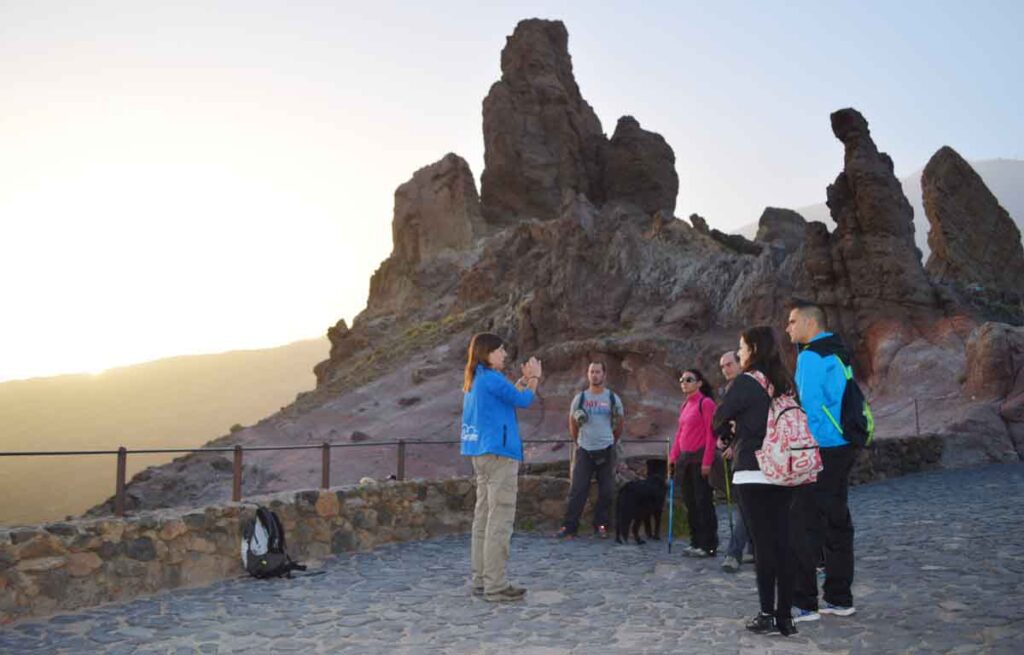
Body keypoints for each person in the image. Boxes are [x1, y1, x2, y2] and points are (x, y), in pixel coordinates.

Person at [713, 327, 799, 637]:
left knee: (763, 546)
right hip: (784, 469)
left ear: (752, 349)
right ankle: (785, 616)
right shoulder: (785, 382)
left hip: (752, 469)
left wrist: (732, 430)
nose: (739, 354)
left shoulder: (745, 383)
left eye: (741, 348)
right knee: (784, 541)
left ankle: (766, 613)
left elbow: (717, 419)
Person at [785, 300, 858, 622]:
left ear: (809, 323)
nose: (788, 328)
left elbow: (808, 409)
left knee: (803, 524)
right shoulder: (838, 351)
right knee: (837, 523)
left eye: (791, 321)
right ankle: (840, 598)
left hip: (820, 448)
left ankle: (804, 603)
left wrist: (799, 450)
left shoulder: (811, 356)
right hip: (842, 445)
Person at [460, 332, 542, 603]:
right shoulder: (491, 379)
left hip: (480, 453)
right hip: (499, 454)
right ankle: (496, 585)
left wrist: (520, 382)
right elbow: (525, 400)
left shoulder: (476, 380)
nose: (505, 355)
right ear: (487, 353)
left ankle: (482, 580)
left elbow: (507, 396)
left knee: (482, 518)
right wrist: (534, 379)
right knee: (500, 519)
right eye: (500, 350)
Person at [556, 361, 625, 539]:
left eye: (598, 372)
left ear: (604, 374)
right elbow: (572, 423)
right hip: (585, 449)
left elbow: (620, 423)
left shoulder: (612, 398)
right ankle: (569, 527)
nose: (595, 375)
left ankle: (601, 526)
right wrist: (578, 441)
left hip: (606, 449)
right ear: (588, 375)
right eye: (592, 372)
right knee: (578, 490)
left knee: (607, 490)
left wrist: (611, 440)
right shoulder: (580, 399)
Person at [668, 368, 718, 557]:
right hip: (685, 460)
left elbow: (710, 434)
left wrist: (707, 461)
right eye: (682, 380)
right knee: (690, 501)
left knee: (703, 501)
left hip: (699, 460)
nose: (684, 383)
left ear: (699, 383)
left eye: (689, 379)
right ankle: (695, 541)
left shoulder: (706, 404)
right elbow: (680, 433)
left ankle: (708, 544)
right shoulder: (685, 406)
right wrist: (673, 457)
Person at [717, 350, 755, 573]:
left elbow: (750, 422)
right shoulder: (727, 391)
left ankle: (734, 553)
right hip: (738, 454)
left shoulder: (749, 388)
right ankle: (752, 549)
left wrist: (733, 443)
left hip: (750, 453)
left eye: (729, 364)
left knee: (746, 506)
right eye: (722, 366)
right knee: (748, 505)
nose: (726, 369)